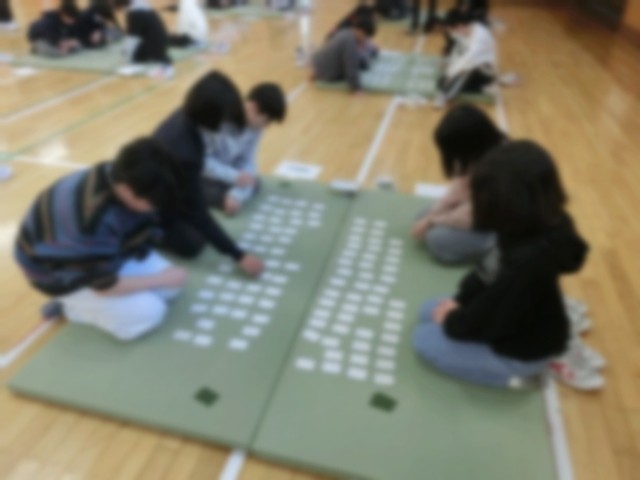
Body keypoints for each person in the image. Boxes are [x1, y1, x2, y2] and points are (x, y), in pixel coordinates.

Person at [413, 141, 604, 390]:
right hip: (523, 315)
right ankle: (558, 341)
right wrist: (461, 301)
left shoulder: (528, 263)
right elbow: (488, 274)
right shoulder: (535, 222)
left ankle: (525, 375)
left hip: (520, 351)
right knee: (428, 310)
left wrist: (453, 319)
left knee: (424, 339)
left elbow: (493, 318)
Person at [14, 138, 189, 341]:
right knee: (151, 313)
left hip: (95, 253)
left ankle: (87, 304)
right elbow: (105, 286)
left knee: (171, 289)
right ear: (127, 191)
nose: (156, 209)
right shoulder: (91, 224)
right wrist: (160, 279)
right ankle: (73, 307)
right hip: (58, 274)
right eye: (153, 204)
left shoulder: (117, 172)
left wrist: (164, 280)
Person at [153, 70, 264, 276]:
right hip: (153, 203)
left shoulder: (186, 114)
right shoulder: (186, 151)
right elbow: (198, 212)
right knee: (193, 243)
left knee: (202, 224)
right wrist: (238, 255)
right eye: (224, 118)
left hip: (170, 187)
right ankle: (150, 233)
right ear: (211, 115)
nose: (226, 123)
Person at [411, 104, 504, 264]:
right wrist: (433, 214)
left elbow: (474, 214)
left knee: (436, 239)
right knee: (422, 215)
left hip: (496, 223)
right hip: (478, 210)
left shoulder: (500, 166)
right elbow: (459, 188)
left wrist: (434, 221)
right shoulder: (477, 153)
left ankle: (495, 248)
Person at [201, 82, 287, 216]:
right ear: (253, 107)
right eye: (267, 120)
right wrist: (234, 177)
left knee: (255, 182)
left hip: (225, 171)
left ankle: (226, 198)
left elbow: (248, 160)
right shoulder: (218, 119)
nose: (266, 126)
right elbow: (202, 162)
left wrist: (237, 194)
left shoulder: (256, 128)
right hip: (200, 172)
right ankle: (222, 199)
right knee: (192, 187)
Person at [434, 9, 497, 108]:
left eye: (452, 30)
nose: (452, 34)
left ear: (460, 26)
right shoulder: (465, 31)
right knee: (441, 81)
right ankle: (483, 86)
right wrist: (450, 65)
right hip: (472, 67)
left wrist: (450, 73)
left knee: (459, 74)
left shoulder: (478, 39)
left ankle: (444, 95)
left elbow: (466, 61)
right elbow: (458, 51)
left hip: (483, 70)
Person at [311, 16, 377, 94]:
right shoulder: (350, 42)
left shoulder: (346, 32)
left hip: (318, 64)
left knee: (361, 58)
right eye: (366, 37)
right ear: (360, 31)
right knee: (362, 63)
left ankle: (316, 73)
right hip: (328, 74)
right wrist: (357, 89)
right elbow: (351, 68)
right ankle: (319, 74)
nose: (365, 40)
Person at [113, 0, 173, 76]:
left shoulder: (135, 13)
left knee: (130, 50)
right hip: (161, 42)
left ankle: (163, 68)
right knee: (129, 48)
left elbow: (133, 38)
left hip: (155, 46)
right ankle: (147, 61)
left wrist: (128, 58)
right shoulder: (142, 7)